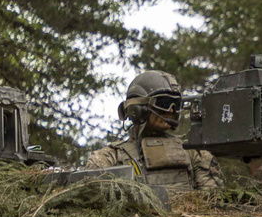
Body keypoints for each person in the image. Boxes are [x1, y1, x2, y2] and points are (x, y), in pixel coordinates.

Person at [91, 70, 220, 198]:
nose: (171, 110)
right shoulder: (109, 157)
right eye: (163, 103)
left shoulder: (195, 153)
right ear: (137, 109)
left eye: (175, 104)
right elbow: (90, 198)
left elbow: (213, 204)